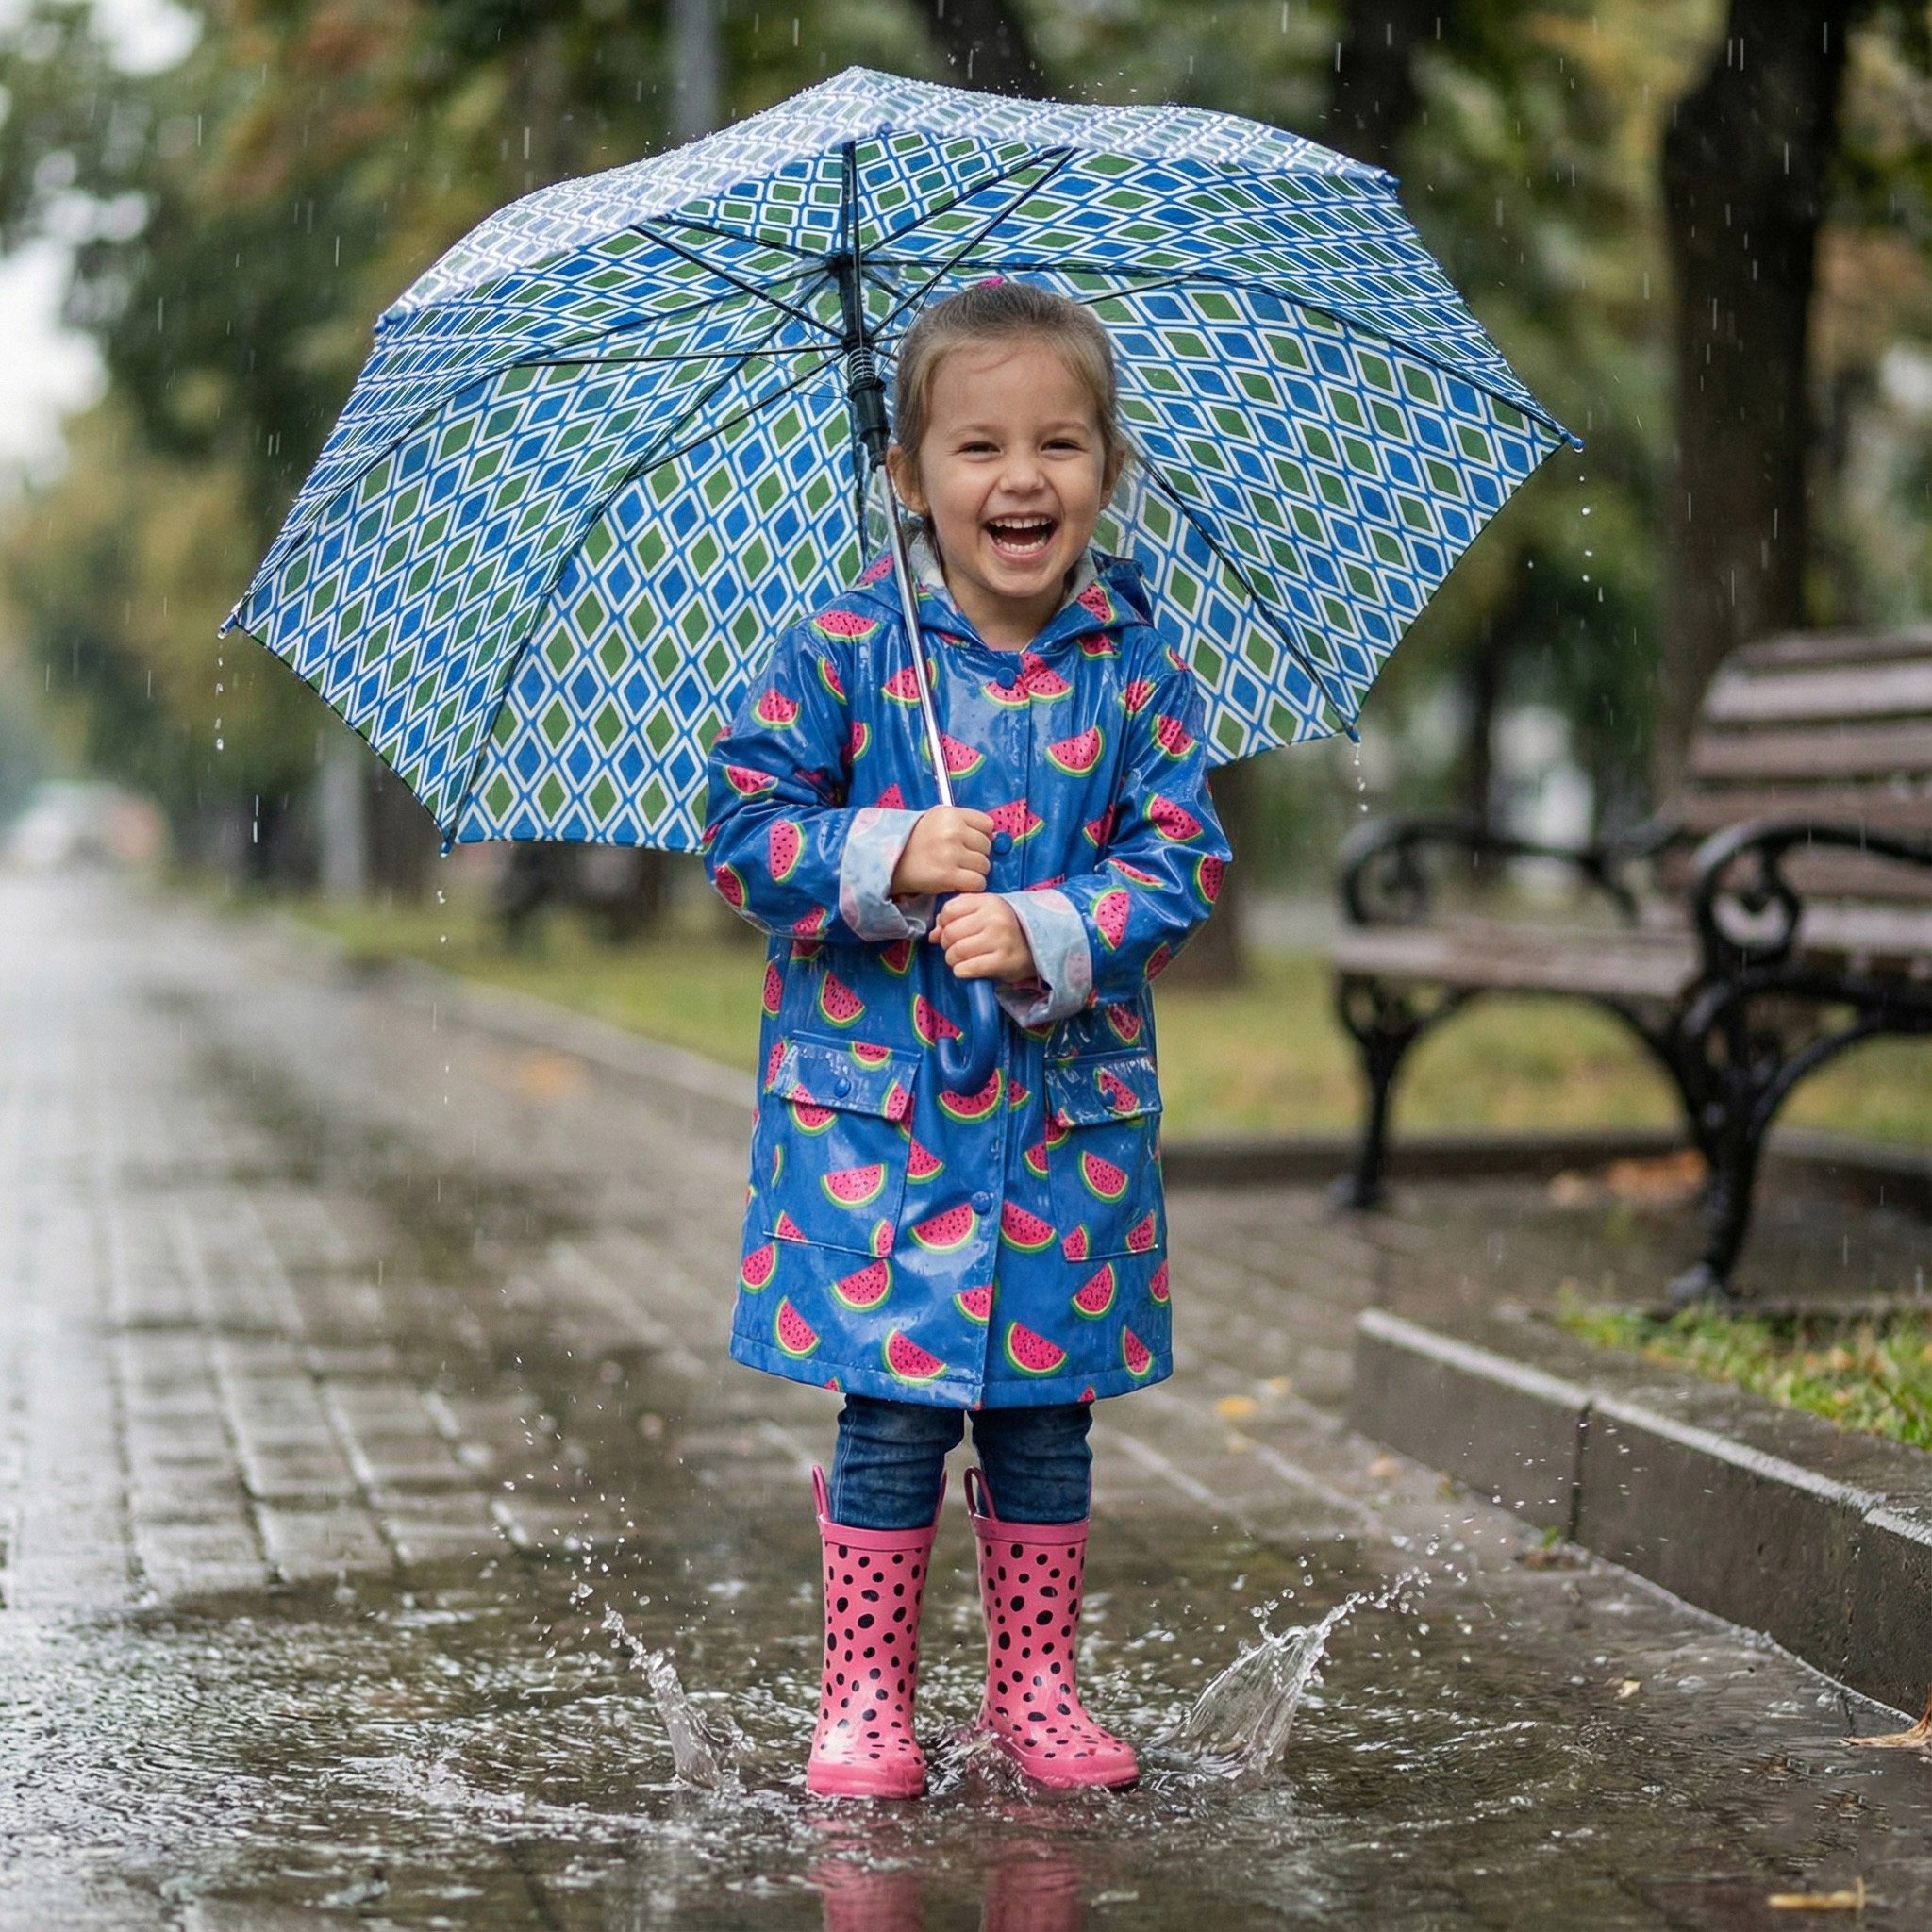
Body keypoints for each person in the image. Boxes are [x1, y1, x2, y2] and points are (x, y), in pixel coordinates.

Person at [701, 279, 1229, 1799]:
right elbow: (743, 835)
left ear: (1105, 471)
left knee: (1044, 1414)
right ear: (909, 477)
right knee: (894, 1410)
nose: (1021, 479)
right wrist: (886, 856)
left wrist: (1054, 928)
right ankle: (865, 1694)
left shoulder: (1136, 662)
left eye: (1061, 444)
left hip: (1058, 1124)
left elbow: (1181, 860)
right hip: (883, 1131)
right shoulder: (848, 645)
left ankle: (1035, 1687)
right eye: (979, 446)